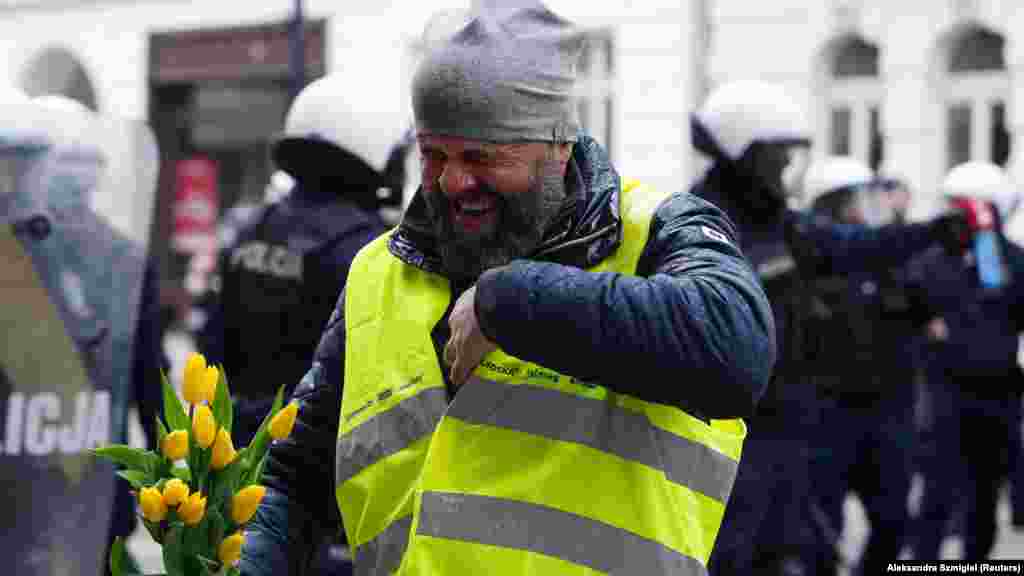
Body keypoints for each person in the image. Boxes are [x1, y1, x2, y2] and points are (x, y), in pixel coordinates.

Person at [241, 1, 777, 574]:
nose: (452, 181)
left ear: (558, 146)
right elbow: (295, 475)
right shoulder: (378, 270)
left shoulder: (652, 233)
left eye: (481, 156)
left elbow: (735, 344)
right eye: (433, 153)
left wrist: (509, 304)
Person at [688, 81, 969, 574]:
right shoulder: (696, 222)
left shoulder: (785, 225)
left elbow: (854, 246)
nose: (785, 172)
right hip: (730, 433)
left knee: (804, 555)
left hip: (794, 424)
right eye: (778, 159)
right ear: (745, 156)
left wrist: (930, 232)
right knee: (731, 558)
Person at [211, 74, 411, 447]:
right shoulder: (369, 250)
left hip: (237, 449)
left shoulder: (253, 228)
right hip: (316, 458)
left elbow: (214, 345)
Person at [802, 157, 934, 574]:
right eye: (860, 198)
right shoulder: (807, 262)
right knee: (821, 529)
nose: (870, 207)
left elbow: (927, 307)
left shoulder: (891, 258)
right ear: (833, 205)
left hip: (886, 415)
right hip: (827, 416)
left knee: (894, 522)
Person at [911, 161, 1024, 560]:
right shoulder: (931, 260)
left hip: (996, 401)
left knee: (983, 504)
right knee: (935, 500)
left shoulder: (1011, 260)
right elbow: (914, 311)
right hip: (946, 398)